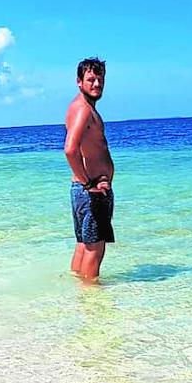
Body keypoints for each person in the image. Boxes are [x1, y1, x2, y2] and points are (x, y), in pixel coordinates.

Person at [64, 56, 114, 283]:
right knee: (94, 248)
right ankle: (92, 304)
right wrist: (89, 184)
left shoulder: (81, 108)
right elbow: (70, 150)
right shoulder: (83, 109)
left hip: (84, 191)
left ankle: (79, 297)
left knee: (84, 245)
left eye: (100, 79)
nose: (96, 84)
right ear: (79, 81)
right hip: (90, 193)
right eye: (91, 79)